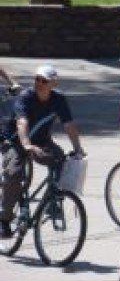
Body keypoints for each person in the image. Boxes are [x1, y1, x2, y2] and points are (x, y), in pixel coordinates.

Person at [1, 65, 85, 239]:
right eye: (37, 79)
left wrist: (78, 148)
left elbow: (69, 125)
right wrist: (26, 145)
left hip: (41, 141)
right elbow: (22, 123)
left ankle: (53, 201)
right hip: (16, 141)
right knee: (14, 173)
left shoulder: (59, 100)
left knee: (61, 159)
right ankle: (4, 220)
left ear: (53, 83)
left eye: (44, 81)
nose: (39, 83)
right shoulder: (26, 98)